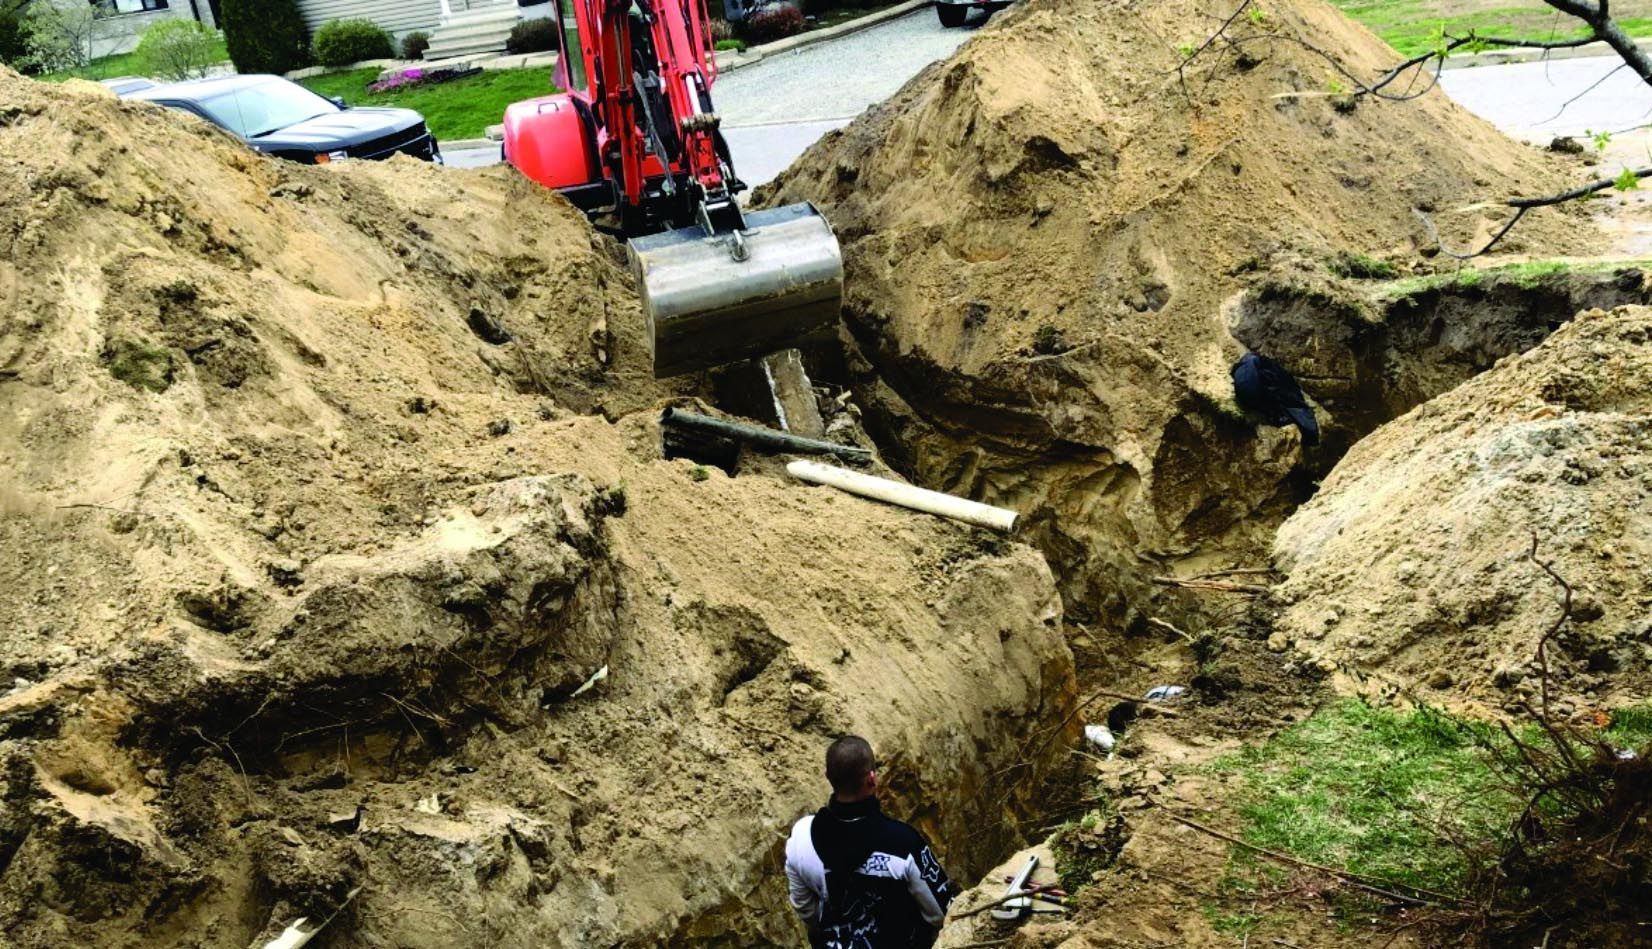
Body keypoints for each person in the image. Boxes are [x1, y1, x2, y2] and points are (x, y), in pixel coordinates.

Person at [784, 735, 953, 948]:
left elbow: (806, 910)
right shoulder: (904, 845)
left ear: (828, 777)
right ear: (872, 779)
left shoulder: (801, 836)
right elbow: (941, 914)